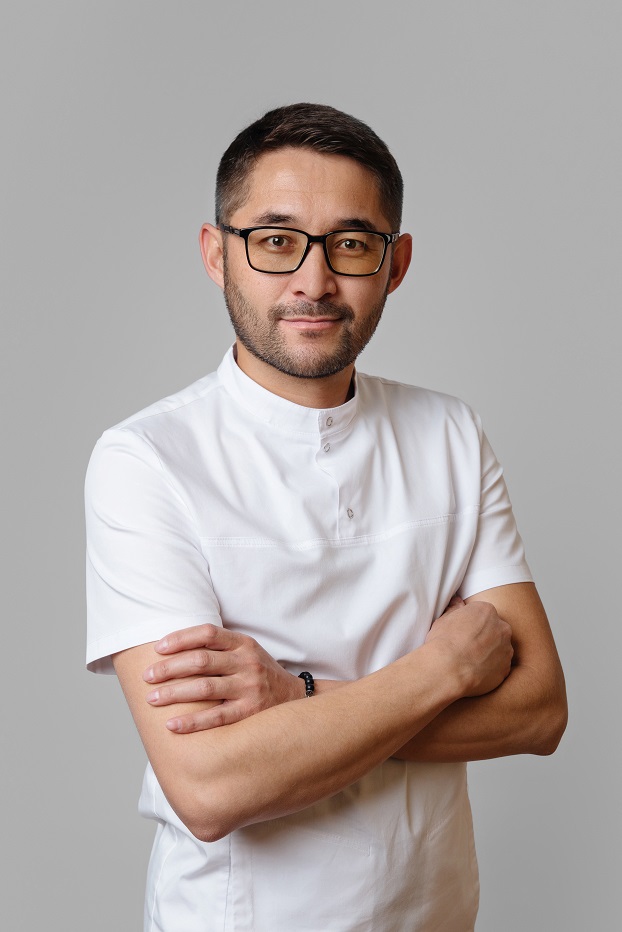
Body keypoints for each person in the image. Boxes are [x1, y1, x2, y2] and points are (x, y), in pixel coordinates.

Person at [85, 103, 567, 931]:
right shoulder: (145, 460)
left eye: (350, 244)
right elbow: (210, 786)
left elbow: (539, 710)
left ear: (396, 263)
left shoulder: (450, 432)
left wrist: (296, 695)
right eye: (276, 241)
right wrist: (443, 670)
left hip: (438, 914)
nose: (313, 282)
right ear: (216, 254)